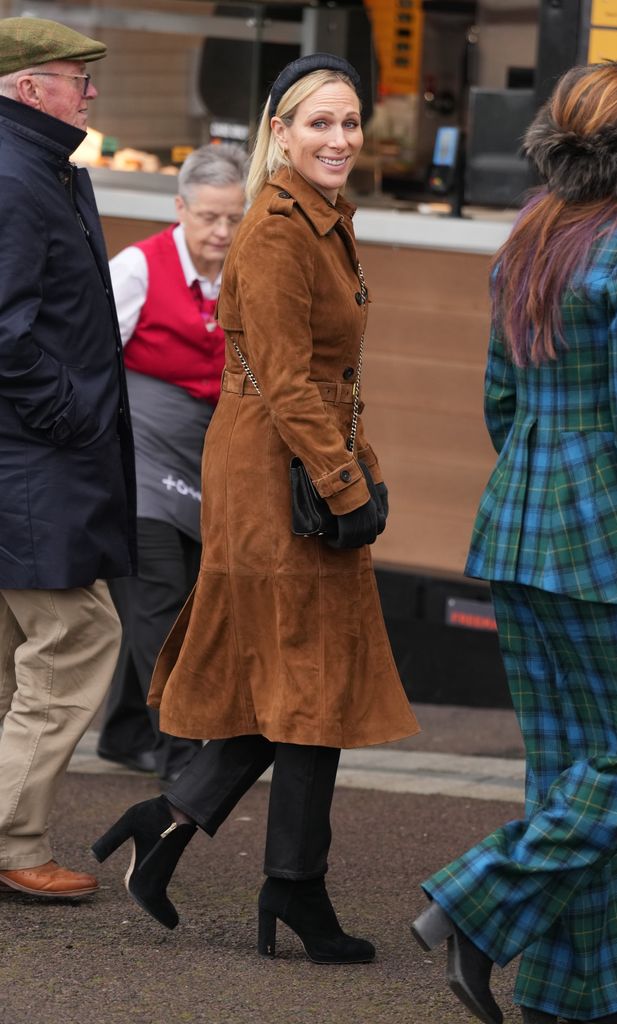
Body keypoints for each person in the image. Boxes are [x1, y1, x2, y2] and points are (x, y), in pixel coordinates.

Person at [92, 52, 418, 960]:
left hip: (297, 467)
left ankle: (174, 822)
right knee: (309, 686)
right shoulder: (276, 230)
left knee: (304, 685)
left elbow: (324, 377)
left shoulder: (317, 220)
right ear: (279, 130)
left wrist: (358, 469)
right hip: (278, 476)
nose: (340, 139)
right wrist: (347, 485)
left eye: (351, 122)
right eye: (319, 122)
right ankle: (290, 887)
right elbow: (282, 379)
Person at [411, 58, 617, 1024]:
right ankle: (475, 906)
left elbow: (499, 400)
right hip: (598, 549)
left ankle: (578, 999)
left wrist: (538, 474)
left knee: (569, 773)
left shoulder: (526, 237)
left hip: (514, 529)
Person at [0, 17, 135, 898]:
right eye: (73, 77)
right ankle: (12, 844)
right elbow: (5, 334)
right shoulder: (17, 176)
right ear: (24, 88)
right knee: (79, 635)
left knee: (22, 646)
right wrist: (72, 416)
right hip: (36, 459)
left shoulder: (42, 165)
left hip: (40, 455)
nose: (89, 92)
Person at [96, 143, 247, 783]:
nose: (221, 232)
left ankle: (127, 731)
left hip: (206, 458)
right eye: (209, 217)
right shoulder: (136, 268)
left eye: (234, 218)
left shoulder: (249, 270)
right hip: (138, 461)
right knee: (158, 602)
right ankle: (183, 759)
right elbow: (88, 355)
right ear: (179, 207)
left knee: (185, 596)